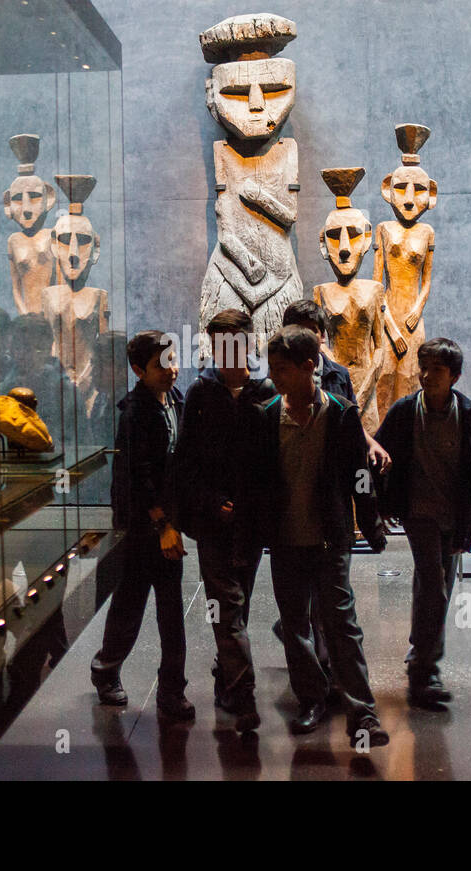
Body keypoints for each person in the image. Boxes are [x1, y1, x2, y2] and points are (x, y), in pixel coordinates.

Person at [262, 325, 389, 747]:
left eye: (281, 368)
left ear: (309, 366)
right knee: (296, 628)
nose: (273, 376)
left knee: (342, 627)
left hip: (329, 542)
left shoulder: (340, 413)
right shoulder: (266, 417)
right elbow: (254, 481)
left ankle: (363, 714)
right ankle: (311, 699)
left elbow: (360, 476)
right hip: (285, 542)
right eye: (271, 367)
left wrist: (370, 523)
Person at [174, 309, 275, 734]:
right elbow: (186, 463)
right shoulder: (200, 394)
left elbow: (273, 461)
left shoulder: (265, 391)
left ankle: (225, 675)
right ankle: (244, 693)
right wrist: (212, 502)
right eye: (220, 345)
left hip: (250, 524)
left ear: (248, 344)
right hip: (213, 522)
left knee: (239, 602)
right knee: (229, 605)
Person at [373, 338, 471, 708]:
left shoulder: (468, 415)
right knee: (433, 583)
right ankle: (424, 671)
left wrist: (467, 531)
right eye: (423, 368)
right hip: (418, 512)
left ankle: (419, 656)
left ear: (454, 375)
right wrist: (382, 504)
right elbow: (376, 453)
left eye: (436, 370)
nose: (426, 376)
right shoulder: (406, 411)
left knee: (438, 587)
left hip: (451, 516)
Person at [89, 331, 194, 720]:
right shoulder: (135, 414)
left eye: (173, 360)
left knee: (170, 609)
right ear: (138, 370)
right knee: (130, 604)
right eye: (161, 364)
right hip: (140, 526)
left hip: (167, 524)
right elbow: (140, 476)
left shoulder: (175, 400)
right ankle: (106, 671)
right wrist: (162, 523)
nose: (172, 370)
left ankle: (171, 690)